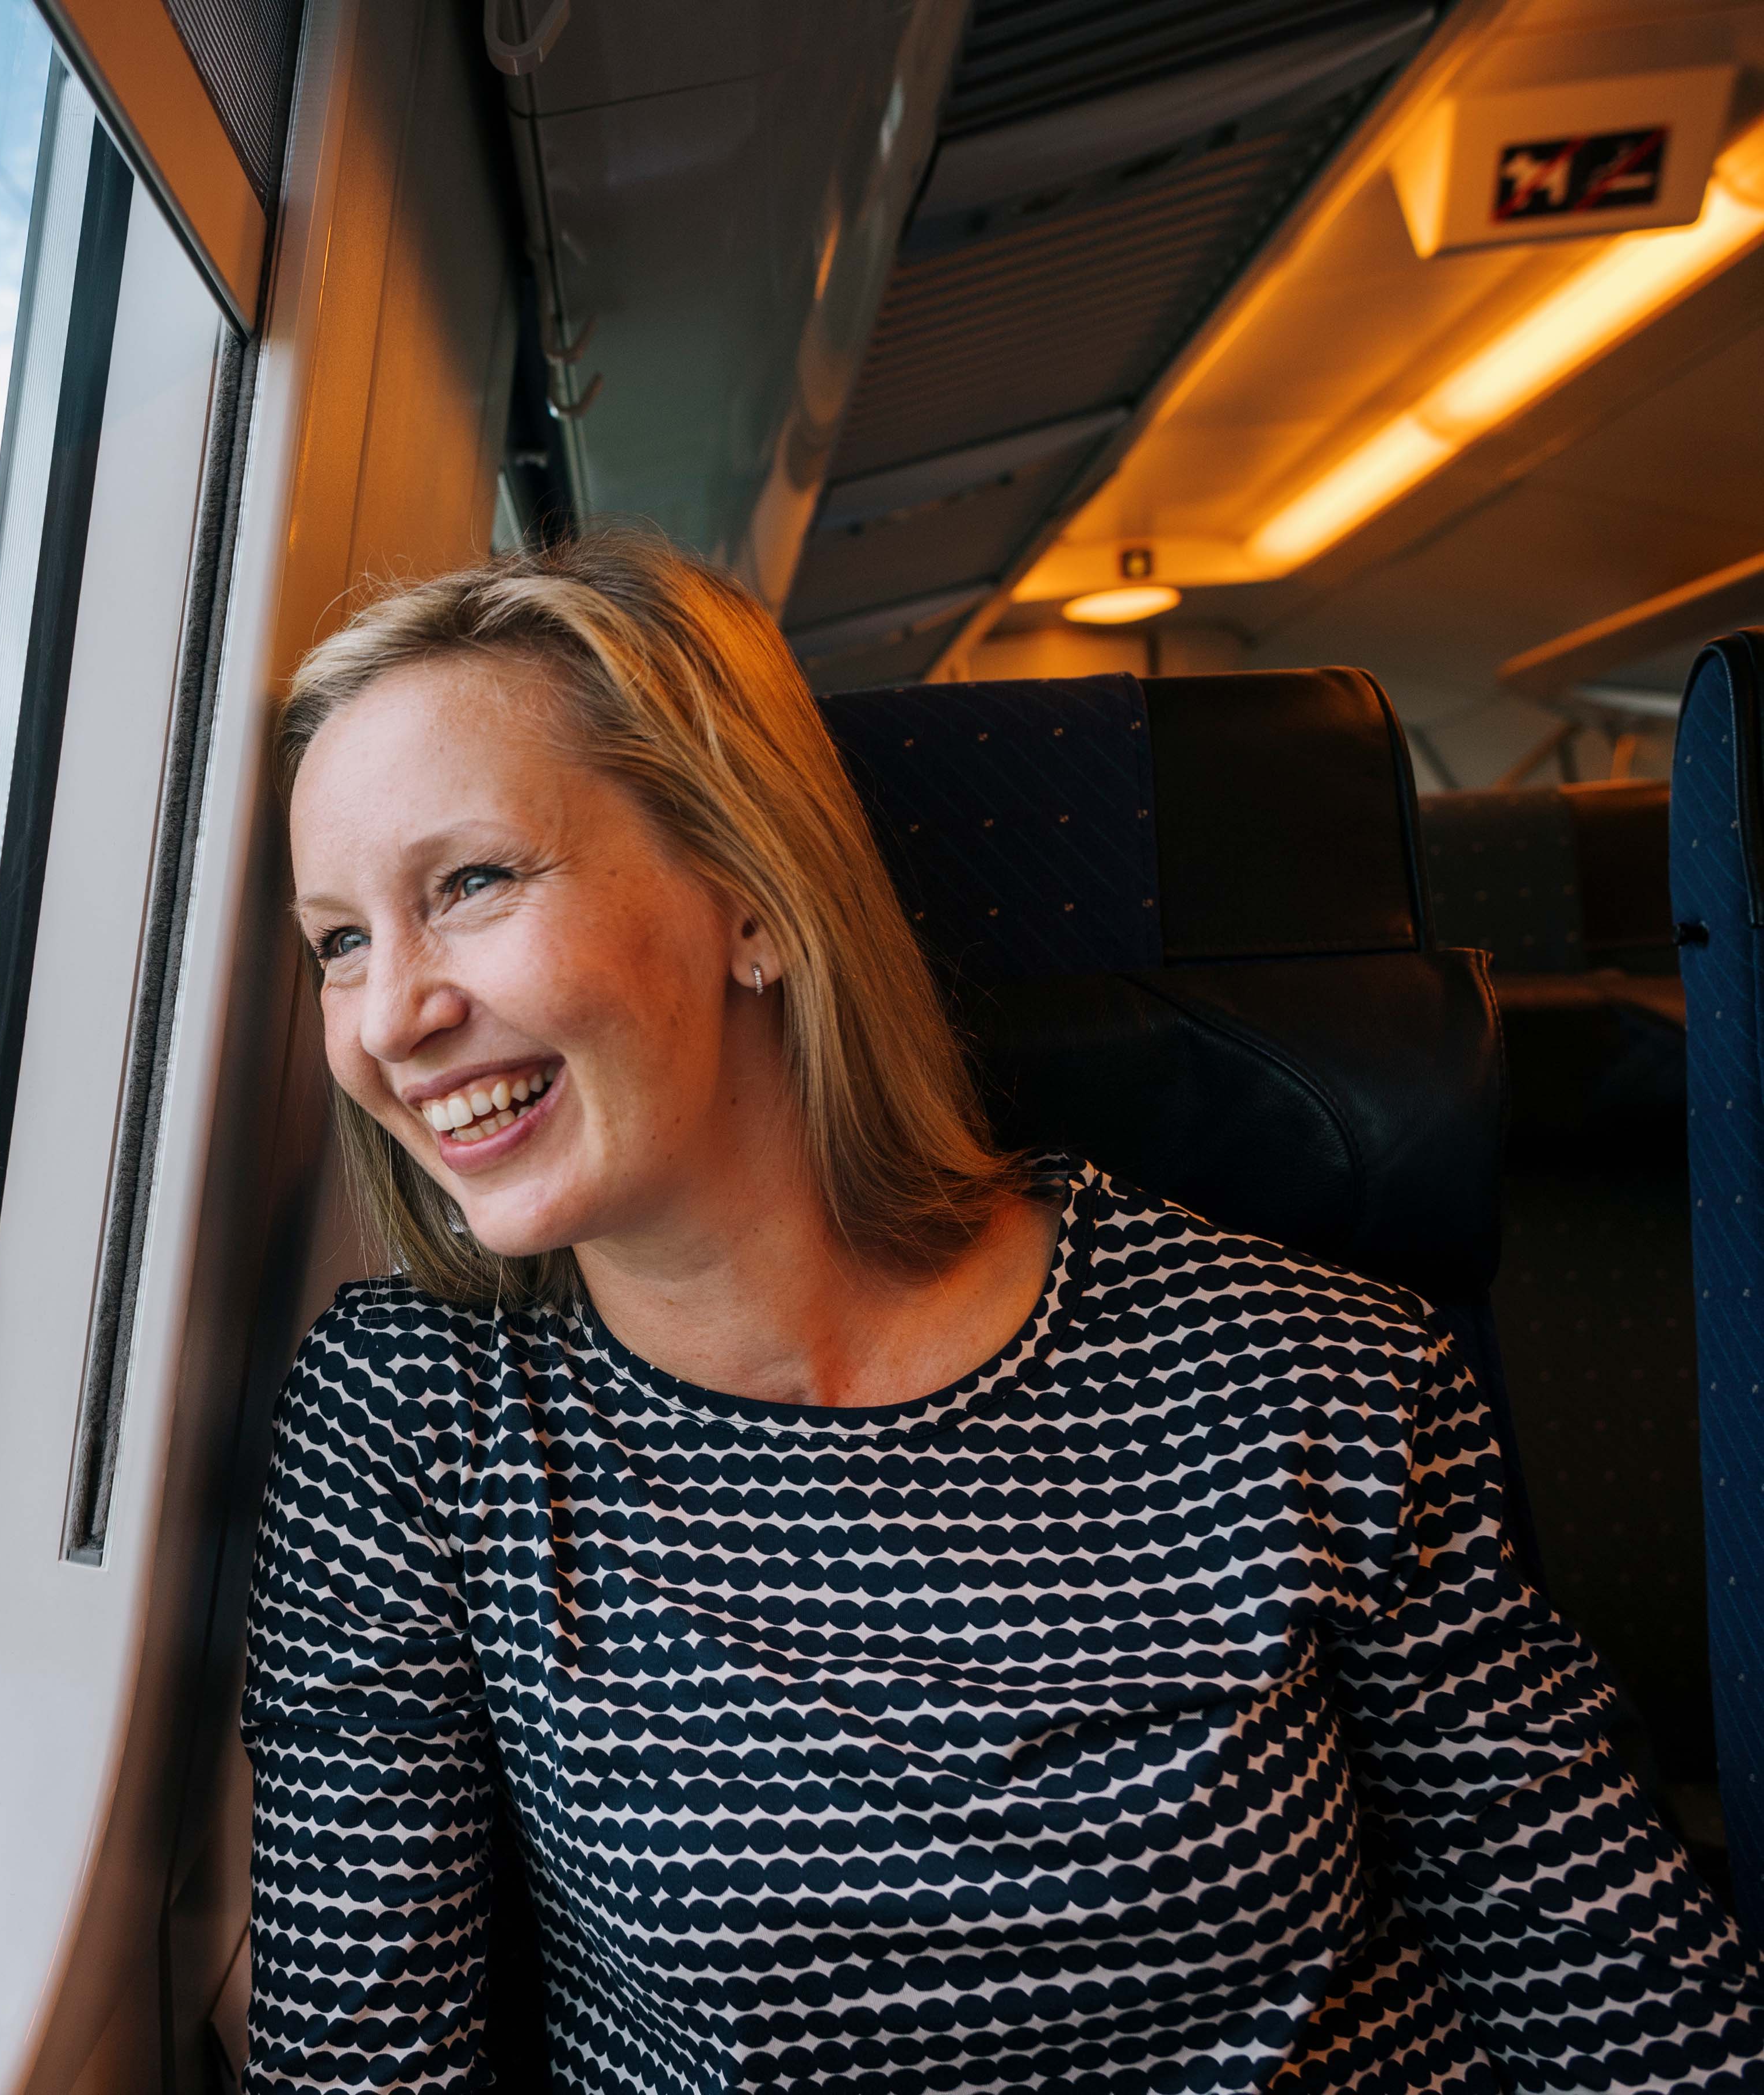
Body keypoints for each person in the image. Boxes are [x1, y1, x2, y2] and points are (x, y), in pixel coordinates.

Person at [242, 527, 1763, 2093]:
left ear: (752, 900)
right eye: (337, 943)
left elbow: (1626, 2013)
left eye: (472, 882)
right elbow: (362, 2066)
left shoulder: (1307, 1369)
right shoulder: (414, 1423)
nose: (389, 1020)